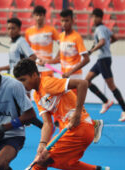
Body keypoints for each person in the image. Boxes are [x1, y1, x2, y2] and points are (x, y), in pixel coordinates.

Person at [13, 58, 110, 170]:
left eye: (24, 80)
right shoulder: (38, 95)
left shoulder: (47, 83)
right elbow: (47, 123)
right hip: (70, 131)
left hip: (80, 129)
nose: (23, 85)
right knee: (65, 162)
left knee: (42, 161)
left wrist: (78, 113)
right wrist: (42, 144)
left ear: (34, 75)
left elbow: (82, 83)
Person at [38, 9, 103, 143]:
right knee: (69, 106)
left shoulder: (76, 37)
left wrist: (71, 71)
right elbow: (58, 59)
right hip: (64, 78)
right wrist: (46, 62)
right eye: (62, 20)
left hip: (76, 79)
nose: (64, 23)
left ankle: (93, 125)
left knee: (75, 107)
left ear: (72, 21)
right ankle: (92, 124)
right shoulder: (61, 37)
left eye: (67, 20)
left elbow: (86, 59)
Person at [0, 17, 43, 129]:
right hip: (13, 79)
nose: (10, 30)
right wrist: (0, 68)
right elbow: (14, 64)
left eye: (13, 28)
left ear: (19, 29)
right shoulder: (13, 43)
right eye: (9, 28)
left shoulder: (21, 42)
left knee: (21, 110)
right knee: (22, 110)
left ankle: (44, 127)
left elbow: (32, 57)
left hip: (19, 81)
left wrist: (22, 72)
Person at [86, 8, 125, 122]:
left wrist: (91, 50)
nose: (93, 19)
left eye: (94, 17)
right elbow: (115, 38)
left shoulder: (100, 29)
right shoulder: (106, 28)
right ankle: (106, 102)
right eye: (92, 17)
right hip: (101, 60)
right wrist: (106, 44)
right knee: (86, 81)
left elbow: (102, 42)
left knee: (112, 86)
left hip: (104, 60)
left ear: (99, 18)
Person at [25, 5, 60, 77]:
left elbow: (62, 45)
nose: (39, 18)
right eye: (37, 15)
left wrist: (55, 59)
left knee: (47, 87)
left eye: (41, 15)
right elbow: (26, 49)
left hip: (46, 67)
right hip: (34, 67)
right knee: (35, 88)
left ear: (44, 16)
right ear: (34, 16)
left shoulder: (51, 30)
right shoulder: (29, 31)